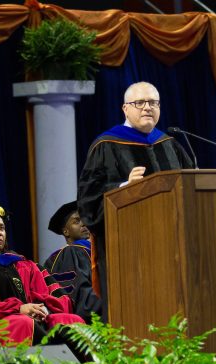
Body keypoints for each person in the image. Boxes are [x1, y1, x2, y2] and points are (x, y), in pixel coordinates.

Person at [77, 81, 194, 300]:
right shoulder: (106, 145)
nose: (147, 107)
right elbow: (88, 201)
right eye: (139, 102)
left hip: (173, 246)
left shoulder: (170, 144)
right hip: (129, 251)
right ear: (125, 108)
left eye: (153, 102)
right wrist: (124, 189)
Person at [0, 203, 84, 345]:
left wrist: (42, 309)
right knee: (24, 322)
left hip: (33, 320)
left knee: (72, 321)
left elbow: (53, 294)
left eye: (2, 228)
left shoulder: (24, 265)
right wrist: (19, 308)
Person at [42, 201, 103, 322]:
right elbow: (79, 295)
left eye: (85, 219)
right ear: (66, 231)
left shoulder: (96, 250)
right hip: (88, 323)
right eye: (76, 221)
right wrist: (109, 302)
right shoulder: (69, 253)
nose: (83, 224)